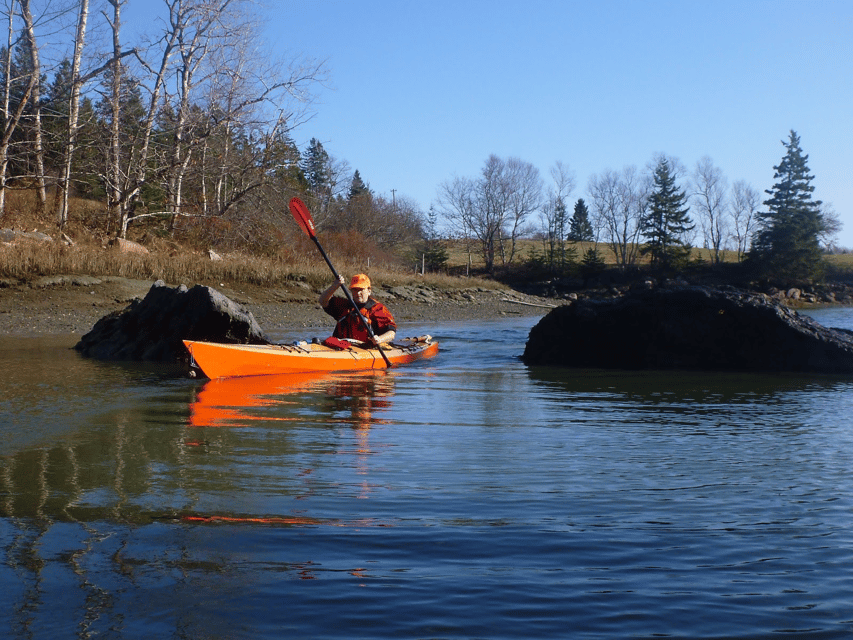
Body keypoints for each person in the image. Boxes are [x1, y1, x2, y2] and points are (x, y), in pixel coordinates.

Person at [318, 273, 397, 346]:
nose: (358, 293)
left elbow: (391, 333)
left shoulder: (378, 309)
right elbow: (322, 301)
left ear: (369, 291)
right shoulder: (344, 305)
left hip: (367, 348)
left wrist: (380, 339)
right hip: (342, 346)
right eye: (355, 290)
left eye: (361, 289)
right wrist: (335, 286)